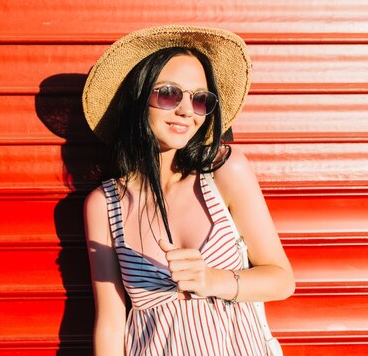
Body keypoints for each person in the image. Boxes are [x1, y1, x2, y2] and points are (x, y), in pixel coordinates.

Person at [82, 25, 295, 355]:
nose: (185, 110)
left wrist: (213, 280)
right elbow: (111, 323)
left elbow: (282, 280)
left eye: (200, 99)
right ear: (139, 98)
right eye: (169, 94)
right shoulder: (106, 203)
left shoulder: (225, 171)